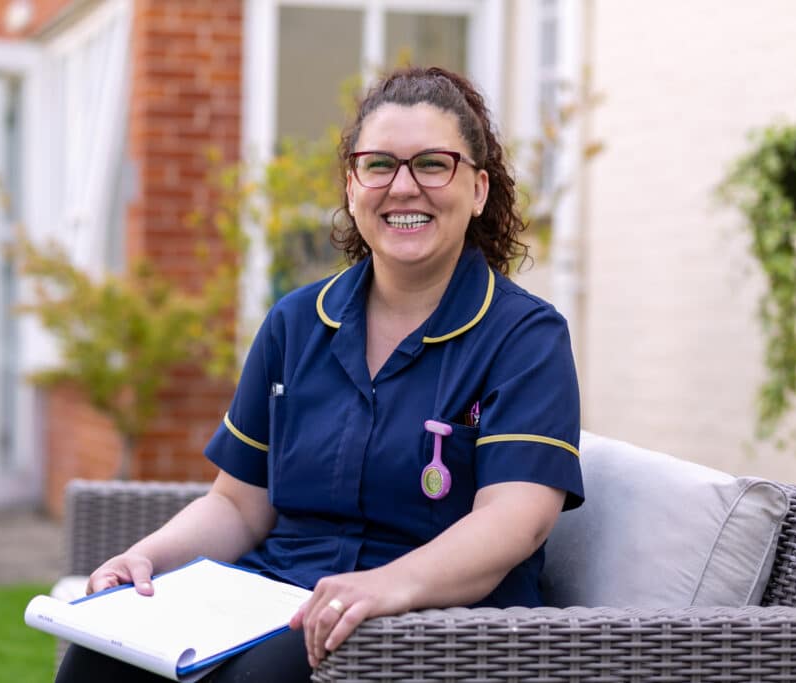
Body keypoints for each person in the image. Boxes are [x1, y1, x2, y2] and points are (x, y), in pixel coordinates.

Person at [56, 65, 584, 682]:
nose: (403, 187)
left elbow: (515, 520)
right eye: (379, 164)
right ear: (353, 186)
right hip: (273, 600)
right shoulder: (296, 323)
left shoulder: (524, 337)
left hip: (432, 621)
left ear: (478, 190)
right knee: (98, 660)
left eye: (433, 164)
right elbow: (237, 505)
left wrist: (387, 586)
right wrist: (143, 559)